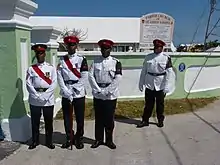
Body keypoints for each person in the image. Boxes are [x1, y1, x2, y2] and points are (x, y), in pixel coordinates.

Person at [88, 39, 122, 149]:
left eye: (107, 48)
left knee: (109, 119)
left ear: (110, 49)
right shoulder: (95, 62)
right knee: (98, 118)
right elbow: (91, 76)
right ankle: (98, 140)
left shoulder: (116, 62)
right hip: (98, 94)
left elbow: (118, 78)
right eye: (102, 49)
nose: (104, 51)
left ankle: (109, 140)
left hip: (110, 95)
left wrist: (107, 91)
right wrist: (98, 89)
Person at [57, 35, 88, 149]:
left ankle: (79, 138)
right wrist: (66, 90)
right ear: (66, 46)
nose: (71, 47)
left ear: (76, 46)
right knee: (67, 117)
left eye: (73, 44)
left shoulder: (81, 59)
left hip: (78, 92)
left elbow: (84, 76)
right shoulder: (62, 60)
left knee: (80, 117)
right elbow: (59, 76)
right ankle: (69, 137)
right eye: (68, 45)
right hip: (66, 92)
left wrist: (74, 89)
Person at [26, 44, 57, 149]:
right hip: (35, 99)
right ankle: (35, 141)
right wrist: (35, 95)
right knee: (35, 121)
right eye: (38, 53)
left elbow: (54, 83)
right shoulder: (31, 69)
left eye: (41, 53)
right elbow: (28, 83)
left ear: (45, 54)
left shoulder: (51, 68)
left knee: (48, 121)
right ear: (35, 54)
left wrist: (45, 95)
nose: (40, 55)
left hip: (48, 99)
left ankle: (49, 141)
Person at [137, 39, 173, 128]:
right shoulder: (148, 57)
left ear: (162, 48)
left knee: (160, 105)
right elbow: (144, 71)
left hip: (160, 85)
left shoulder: (166, 58)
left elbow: (169, 73)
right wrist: (141, 83)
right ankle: (145, 120)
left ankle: (160, 120)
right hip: (149, 84)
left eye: (159, 47)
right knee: (148, 105)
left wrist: (167, 86)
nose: (156, 49)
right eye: (155, 47)